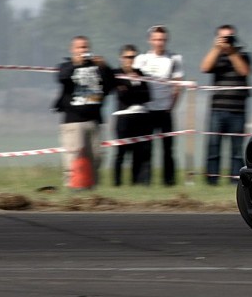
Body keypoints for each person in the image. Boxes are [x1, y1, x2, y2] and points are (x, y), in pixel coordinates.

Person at [55, 36, 116, 188]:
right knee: (74, 157)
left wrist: (105, 67)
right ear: (73, 49)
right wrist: (76, 64)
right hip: (73, 121)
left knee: (96, 157)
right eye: (80, 47)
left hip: (94, 120)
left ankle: (92, 190)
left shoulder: (96, 67)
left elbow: (111, 86)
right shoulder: (67, 65)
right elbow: (61, 78)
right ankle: (72, 189)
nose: (83, 50)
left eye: (85, 47)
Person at [200, 24, 252, 185]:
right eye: (223, 37)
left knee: (237, 150)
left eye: (229, 37)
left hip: (238, 109)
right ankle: (211, 181)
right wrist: (217, 49)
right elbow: (204, 67)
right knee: (213, 146)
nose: (226, 40)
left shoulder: (243, 54)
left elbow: (244, 71)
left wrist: (232, 52)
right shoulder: (216, 56)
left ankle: (235, 182)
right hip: (217, 108)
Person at [133, 25, 185, 186]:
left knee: (168, 149)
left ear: (166, 40)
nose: (159, 43)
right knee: (144, 148)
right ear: (150, 40)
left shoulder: (175, 58)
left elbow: (178, 84)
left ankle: (168, 181)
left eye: (162, 39)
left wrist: (172, 105)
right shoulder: (141, 59)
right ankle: (143, 182)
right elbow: (134, 82)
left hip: (165, 110)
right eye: (156, 39)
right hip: (146, 110)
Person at [112, 45, 151, 186]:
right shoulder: (116, 73)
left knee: (138, 153)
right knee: (121, 153)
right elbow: (122, 96)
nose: (131, 60)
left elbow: (147, 96)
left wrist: (130, 90)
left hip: (141, 117)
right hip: (124, 117)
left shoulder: (140, 73)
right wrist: (133, 91)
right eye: (128, 57)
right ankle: (117, 184)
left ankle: (137, 183)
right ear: (121, 58)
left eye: (133, 56)